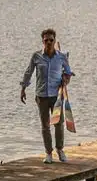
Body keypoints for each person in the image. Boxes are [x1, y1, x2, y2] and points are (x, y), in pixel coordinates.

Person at [20, 28, 74, 163]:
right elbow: (28, 72)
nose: (49, 42)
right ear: (42, 41)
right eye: (46, 40)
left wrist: (65, 80)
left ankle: (60, 149)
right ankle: (48, 153)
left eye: (51, 40)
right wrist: (23, 88)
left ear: (55, 40)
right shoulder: (36, 56)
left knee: (59, 123)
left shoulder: (61, 57)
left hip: (56, 96)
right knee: (45, 125)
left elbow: (68, 72)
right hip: (42, 95)